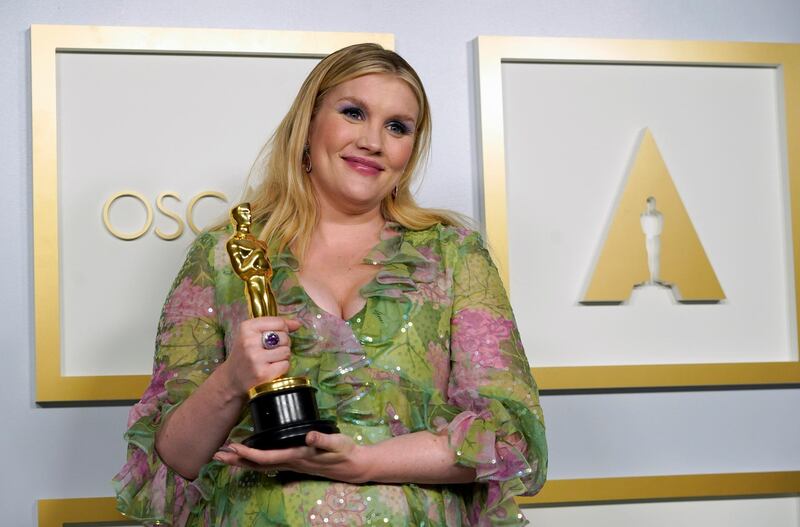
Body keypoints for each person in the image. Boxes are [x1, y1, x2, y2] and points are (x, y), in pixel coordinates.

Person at [113, 43, 547, 526]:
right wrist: (232, 380)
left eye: (397, 127)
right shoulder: (223, 255)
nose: (373, 141)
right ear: (309, 123)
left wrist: (366, 463)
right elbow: (177, 456)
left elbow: (509, 439)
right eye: (354, 113)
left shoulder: (453, 254)